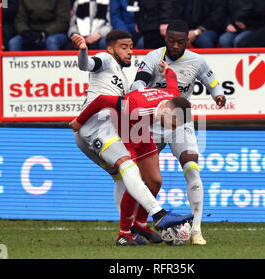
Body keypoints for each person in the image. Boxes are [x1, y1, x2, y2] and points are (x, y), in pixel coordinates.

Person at [70, 30, 192, 246]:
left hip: (122, 126)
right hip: (96, 124)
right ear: (110, 48)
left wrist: (169, 71)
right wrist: (79, 121)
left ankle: (136, 227)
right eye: (124, 47)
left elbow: (173, 88)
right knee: (128, 171)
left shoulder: (166, 97)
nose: (130, 52)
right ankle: (151, 218)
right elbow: (91, 76)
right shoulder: (107, 60)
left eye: (131, 47)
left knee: (146, 179)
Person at [130, 20, 227, 245]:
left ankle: (196, 231)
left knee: (192, 167)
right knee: (139, 177)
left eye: (180, 42)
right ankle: (134, 226)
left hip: (180, 123)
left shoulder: (197, 61)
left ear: (188, 41)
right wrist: (145, 99)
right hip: (153, 123)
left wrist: (218, 96)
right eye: (171, 41)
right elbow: (138, 84)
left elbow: (213, 83)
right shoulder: (154, 57)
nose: (175, 45)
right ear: (166, 40)